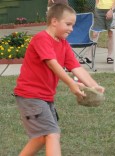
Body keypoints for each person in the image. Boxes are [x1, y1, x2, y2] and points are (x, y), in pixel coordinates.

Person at [14, 4, 104, 156]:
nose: (71, 29)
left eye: (73, 25)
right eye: (68, 24)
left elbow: (77, 67)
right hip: (31, 96)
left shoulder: (63, 44)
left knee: (42, 137)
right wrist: (71, 83)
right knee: (52, 134)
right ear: (54, 21)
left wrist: (94, 86)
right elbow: (52, 63)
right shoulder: (41, 38)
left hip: (45, 97)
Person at [90, 0, 115, 64]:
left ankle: (110, 56)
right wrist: (96, 7)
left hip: (113, 10)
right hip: (99, 10)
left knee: (111, 33)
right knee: (95, 34)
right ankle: (90, 57)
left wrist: (111, 10)